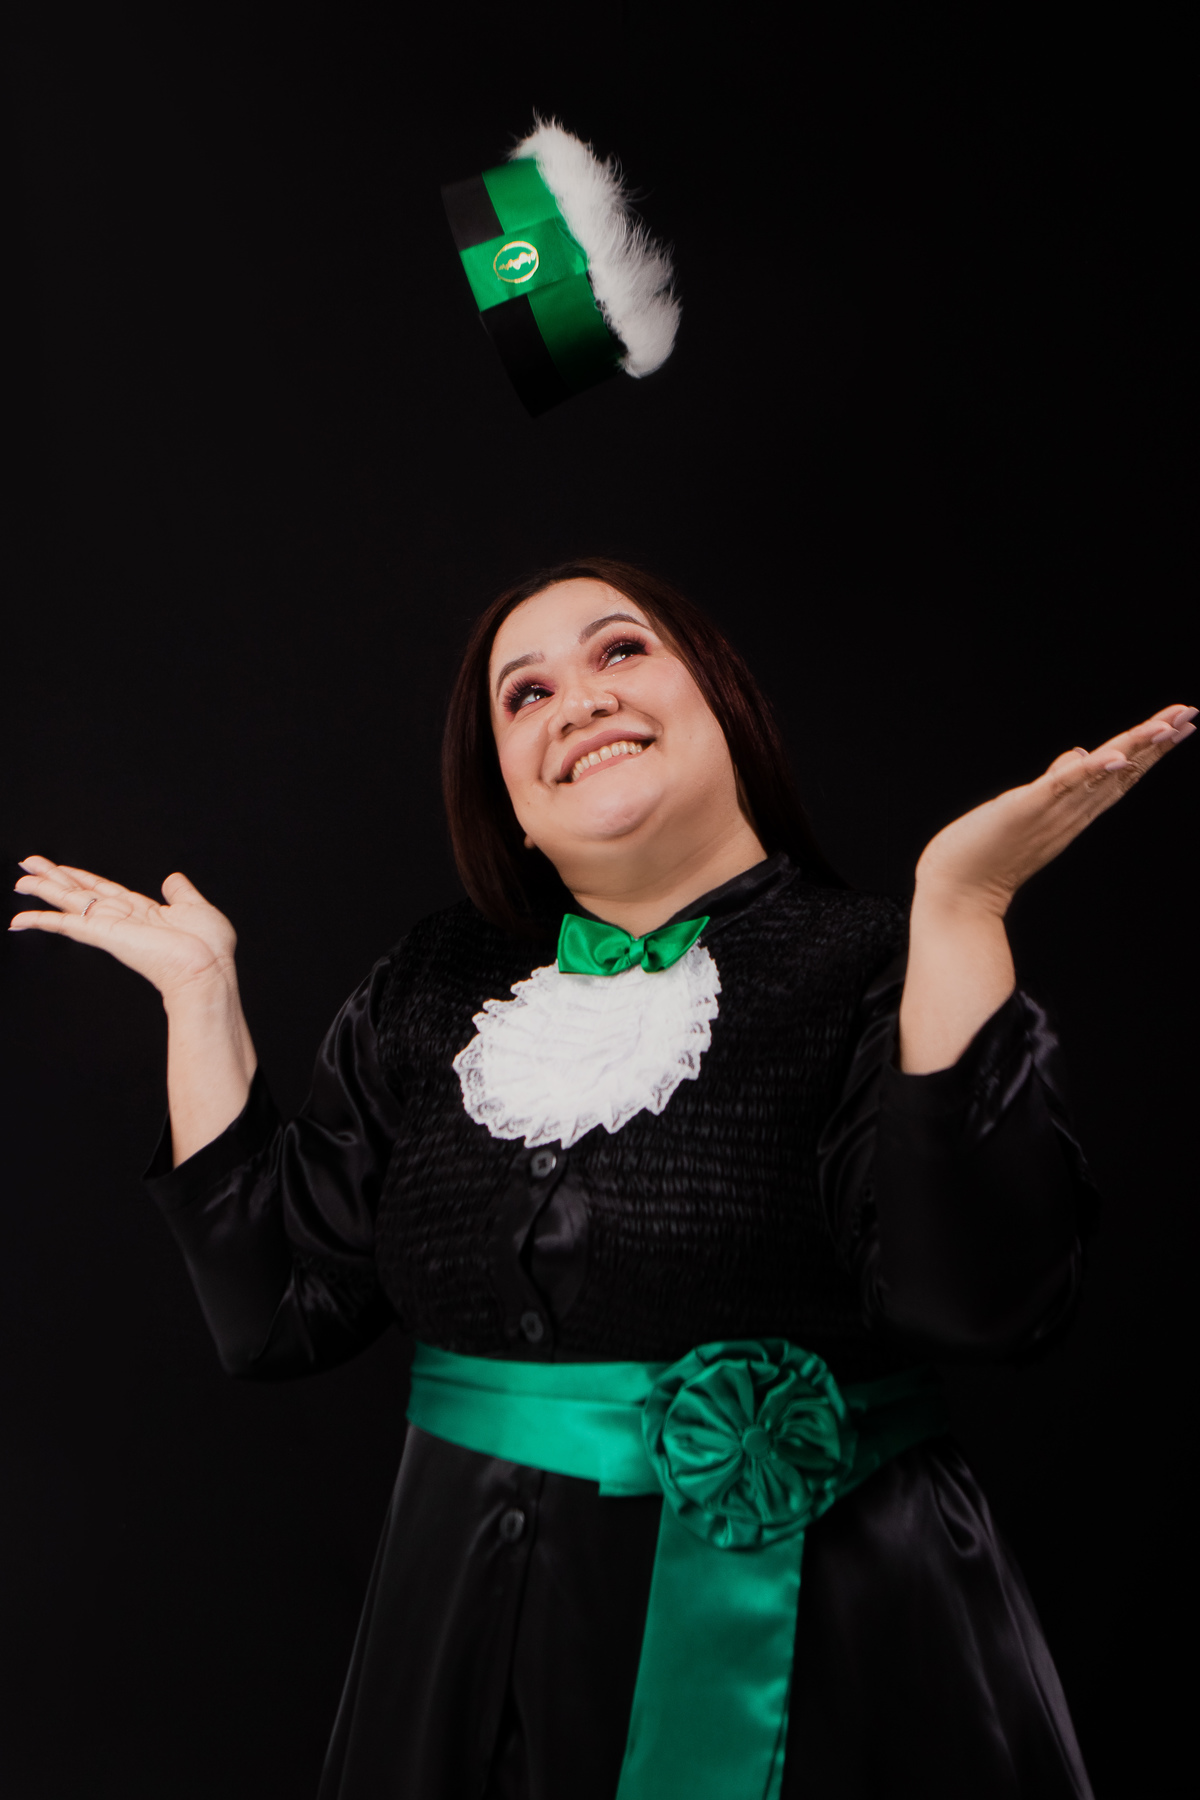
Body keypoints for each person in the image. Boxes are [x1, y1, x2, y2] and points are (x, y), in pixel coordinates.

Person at [11, 558, 1194, 1799]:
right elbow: (275, 1313)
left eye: (621, 651)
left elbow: (981, 1304)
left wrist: (962, 908)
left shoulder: (876, 963)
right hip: (462, 1641)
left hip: (825, 1648)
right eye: (525, 695)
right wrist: (200, 1000)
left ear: (724, 704)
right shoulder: (430, 983)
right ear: (513, 806)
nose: (578, 700)